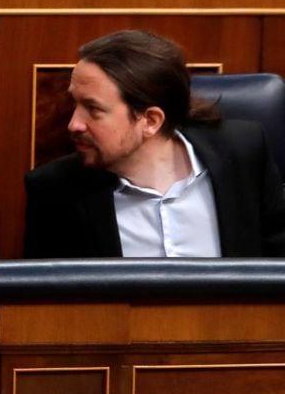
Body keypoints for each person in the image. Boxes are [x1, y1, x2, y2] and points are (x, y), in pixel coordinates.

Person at [24, 29, 285, 258]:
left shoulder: (242, 154)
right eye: (75, 104)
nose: (74, 124)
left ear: (150, 120)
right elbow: (46, 304)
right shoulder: (56, 191)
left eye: (93, 109)